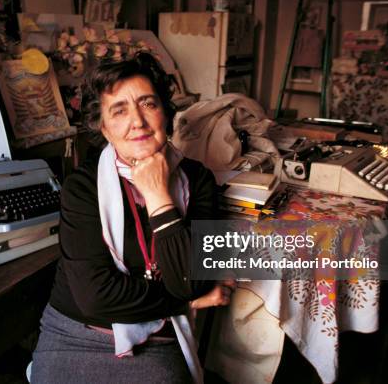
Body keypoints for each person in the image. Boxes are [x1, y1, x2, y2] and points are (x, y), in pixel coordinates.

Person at [30, 52, 235, 383]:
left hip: (156, 339)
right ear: (105, 128)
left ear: (166, 114)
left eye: (148, 104)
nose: (137, 121)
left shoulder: (197, 180)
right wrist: (184, 302)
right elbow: (95, 298)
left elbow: (191, 280)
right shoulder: (83, 187)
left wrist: (158, 195)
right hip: (75, 333)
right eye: (119, 111)